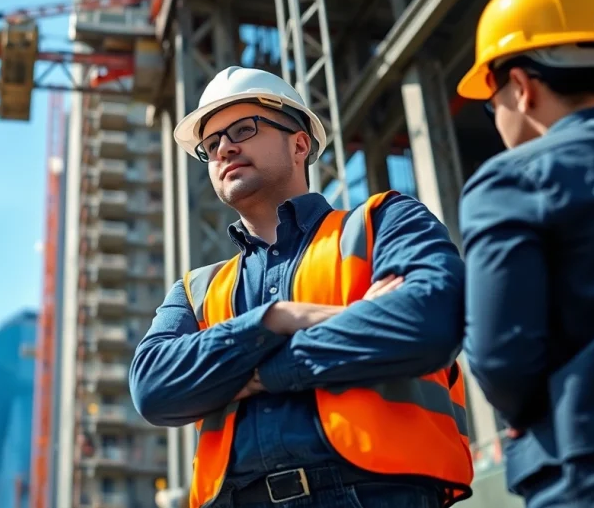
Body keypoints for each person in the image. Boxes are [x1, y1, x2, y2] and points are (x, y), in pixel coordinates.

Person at [129, 65, 474, 508]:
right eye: (210, 144)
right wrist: (277, 319)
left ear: (299, 144)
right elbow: (154, 387)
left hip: (378, 494)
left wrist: (259, 373)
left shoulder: (383, 223)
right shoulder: (197, 290)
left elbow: (429, 322)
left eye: (243, 128)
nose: (224, 148)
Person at [457, 0, 594, 508]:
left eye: (492, 97)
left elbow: (502, 358)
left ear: (523, 87)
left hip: (590, 467)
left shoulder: (512, 181)